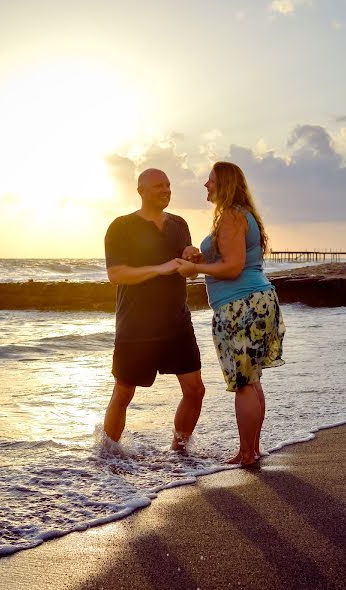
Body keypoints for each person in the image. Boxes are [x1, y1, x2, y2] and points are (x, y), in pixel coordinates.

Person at [176, 161, 285, 466]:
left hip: (241, 305)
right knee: (252, 380)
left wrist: (196, 266)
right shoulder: (240, 214)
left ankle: (246, 453)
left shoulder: (231, 216)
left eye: (210, 181)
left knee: (244, 382)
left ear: (222, 184)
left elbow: (233, 267)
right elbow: (231, 258)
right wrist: (199, 254)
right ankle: (253, 448)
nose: (205, 185)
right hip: (257, 300)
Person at [103, 168, 205, 451]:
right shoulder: (121, 226)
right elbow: (116, 274)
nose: (166, 190)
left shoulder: (179, 224)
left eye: (169, 185)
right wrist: (160, 268)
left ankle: (179, 451)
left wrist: (191, 259)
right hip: (136, 325)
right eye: (159, 185)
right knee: (124, 392)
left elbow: (189, 274)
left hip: (177, 322)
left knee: (195, 390)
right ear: (141, 191)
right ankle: (108, 456)